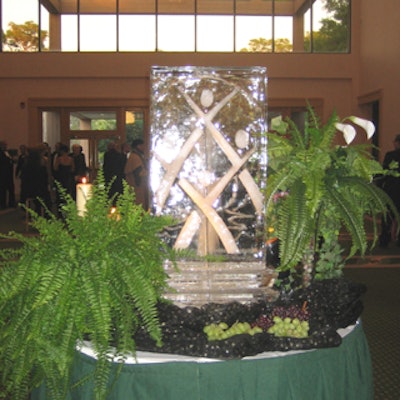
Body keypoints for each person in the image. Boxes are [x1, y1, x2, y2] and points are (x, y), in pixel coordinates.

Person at [379, 134, 400, 247]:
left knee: (388, 216)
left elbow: (384, 172)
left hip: (392, 189)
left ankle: (384, 239)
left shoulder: (390, 155)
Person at [20, 147, 51, 214]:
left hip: (29, 191)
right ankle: (46, 214)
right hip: (39, 190)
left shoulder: (25, 167)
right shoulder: (41, 168)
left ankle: (34, 212)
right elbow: (44, 180)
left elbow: (23, 179)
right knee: (47, 198)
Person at [124, 139, 148, 208]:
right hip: (136, 187)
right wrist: (148, 173)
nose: (144, 148)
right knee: (137, 206)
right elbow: (139, 173)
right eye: (143, 146)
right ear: (138, 146)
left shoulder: (136, 156)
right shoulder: (134, 157)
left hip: (138, 187)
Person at [53, 144, 75, 214]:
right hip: (68, 178)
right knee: (67, 193)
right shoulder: (71, 159)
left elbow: (55, 168)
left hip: (60, 177)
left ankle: (60, 210)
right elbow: (73, 169)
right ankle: (67, 208)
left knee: (59, 193)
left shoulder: (59, 159)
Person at [0, 140, 16, 209]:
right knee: (2, 190)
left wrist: (12, 160)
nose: (5, 147)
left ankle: (11, 203)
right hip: (3, 174)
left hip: (9, 174)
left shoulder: (8, 153)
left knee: (11, 189)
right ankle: (2, 204)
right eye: (4, 145)